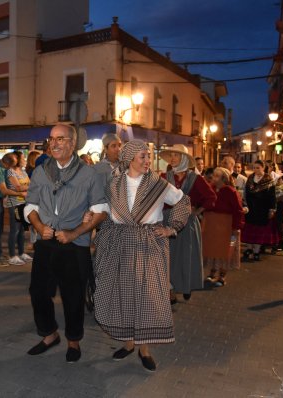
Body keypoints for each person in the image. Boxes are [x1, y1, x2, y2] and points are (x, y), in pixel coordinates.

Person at [92, 140, 190, 371]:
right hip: (119, 244)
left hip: (148, 245)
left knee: (147, 297)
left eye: (148, 156)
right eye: (143, 157)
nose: (148, 161)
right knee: (124, 294)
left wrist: (171, 227)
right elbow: (105, 209)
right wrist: (91, 218)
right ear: (129, 159)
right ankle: (128, 343)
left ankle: (144, 350)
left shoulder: (158, 184)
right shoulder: (114, 184)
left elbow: (182, 201)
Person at [24, 123, 108, 363]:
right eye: (52, 139)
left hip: (74, 245)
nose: (55, 143)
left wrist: (74, 233)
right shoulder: (41, 171)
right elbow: (30, 206)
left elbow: (101, 211)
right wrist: (40, 227)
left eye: (60, 139)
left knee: (73, 296)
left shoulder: (89, 174)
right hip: (46, 242)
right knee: (38, 292)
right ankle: (49, 334)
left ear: (72, 144)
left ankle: (73, 341)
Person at [160, 144, 216, 302]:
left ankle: (186, 285)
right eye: (171, 155)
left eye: (176, 155)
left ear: (184, 158)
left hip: (187, 224)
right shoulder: (165, 176)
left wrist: (196, 211)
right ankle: (170, 290)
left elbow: (211, 198)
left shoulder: (195, 178)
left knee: (185, 257)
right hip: (167, 221)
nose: (172, 158)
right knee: (168, 257)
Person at [203, 167, 244, 286]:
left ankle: (222, 276)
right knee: (213, 249)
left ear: (224, 178)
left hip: (226, 224)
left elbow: (238, 210)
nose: (213, 178)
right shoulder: (210, 189)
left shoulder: (230, 191)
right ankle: (212, 272)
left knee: (226, 251)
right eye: (213, 175)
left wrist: (236, 227)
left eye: (217, 176)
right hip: (213, 223)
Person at [241, 160, 279, 261]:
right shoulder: (250, 178)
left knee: (259, 230)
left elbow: (272, 196)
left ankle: (256, 251)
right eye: (254, 168)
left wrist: (272, 209)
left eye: (258, 167)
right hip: (251, 208)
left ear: (263, 168)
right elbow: (246, 193)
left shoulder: (268, 179)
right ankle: (249, 249)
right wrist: (244, 204)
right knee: (249, 229)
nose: (256, 170)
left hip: (262, 209)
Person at [5, 150, 32, 265]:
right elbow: (18, 188)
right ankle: (12, 255)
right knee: (15, 230)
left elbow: (30, 184)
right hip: (15, 204)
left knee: (22, 230)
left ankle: (21, 253)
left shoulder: (23, 172)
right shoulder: (10, 172)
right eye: (22, 159)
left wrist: (26, 187)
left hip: (24, 204)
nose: (24, 160)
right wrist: (27, 187)